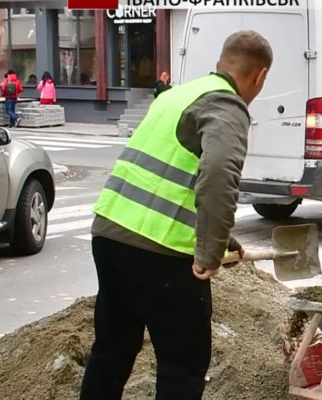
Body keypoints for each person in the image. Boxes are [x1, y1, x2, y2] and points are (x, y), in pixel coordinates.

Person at [78, 30, 273, 400]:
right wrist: (210, 253)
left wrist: (222, 240)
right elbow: (217, 176)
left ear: (221, 61)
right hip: (160, 255)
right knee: (182, 368)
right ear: (260, 76)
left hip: (110, 234)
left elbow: (171, 177)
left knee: (112, 350)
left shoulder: (178, 95)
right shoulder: (227, 106)